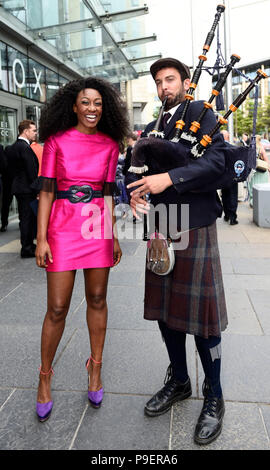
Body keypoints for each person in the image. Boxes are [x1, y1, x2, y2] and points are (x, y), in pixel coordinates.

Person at [127, 58, 228, 445]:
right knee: (166, 313)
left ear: (186, 82)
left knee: (203, 318)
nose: (164, 86)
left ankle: (214, 396)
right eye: (158, 81)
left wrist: (168, 177)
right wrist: (133, 195)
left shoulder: (203, 115)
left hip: (196, 225)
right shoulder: (154, 127)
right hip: (160, 227)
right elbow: (133, 172)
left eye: (170, 79)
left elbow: (218, 162)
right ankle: (181, 381)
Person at [35, 76, 130, 422]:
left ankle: (95, 367)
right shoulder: (56, 142)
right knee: (57, 308)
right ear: (73, 107)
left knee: (98, 299)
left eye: (97, 104)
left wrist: (113, 235)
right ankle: (45, 375)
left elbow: (107, 194)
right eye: (85, 103)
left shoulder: (109, 146)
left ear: (104, 109)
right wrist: (42, 238)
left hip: (96, 228)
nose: (92, 109)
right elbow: (46, 191)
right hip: (61, 227)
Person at [7, 120, 39, 256]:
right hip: (27, 189)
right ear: (25, 131)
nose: (35, 133)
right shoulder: (25, 148)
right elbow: (31, 170)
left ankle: (28, 245)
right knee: (27, 218)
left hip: (19, 187)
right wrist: (37, 189)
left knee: (25, 217)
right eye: (33, 130)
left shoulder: (12, 147)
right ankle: (27, 248)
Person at [220, 130, 239, 225]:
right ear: (227, 137)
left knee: (225, 195)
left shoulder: (218, 148)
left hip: (222, 176)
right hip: (232, 176)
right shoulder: (233, 148)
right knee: (232, 196)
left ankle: (227, 214)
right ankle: (232, 217)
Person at [248, 134, 270, 207]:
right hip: (262, 170)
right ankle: (261, 202)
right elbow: (266, 159)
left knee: (252, 186)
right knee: (262, 186)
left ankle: (252, 202)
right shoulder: (261, 148)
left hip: (253, 171)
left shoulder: (250, 148)